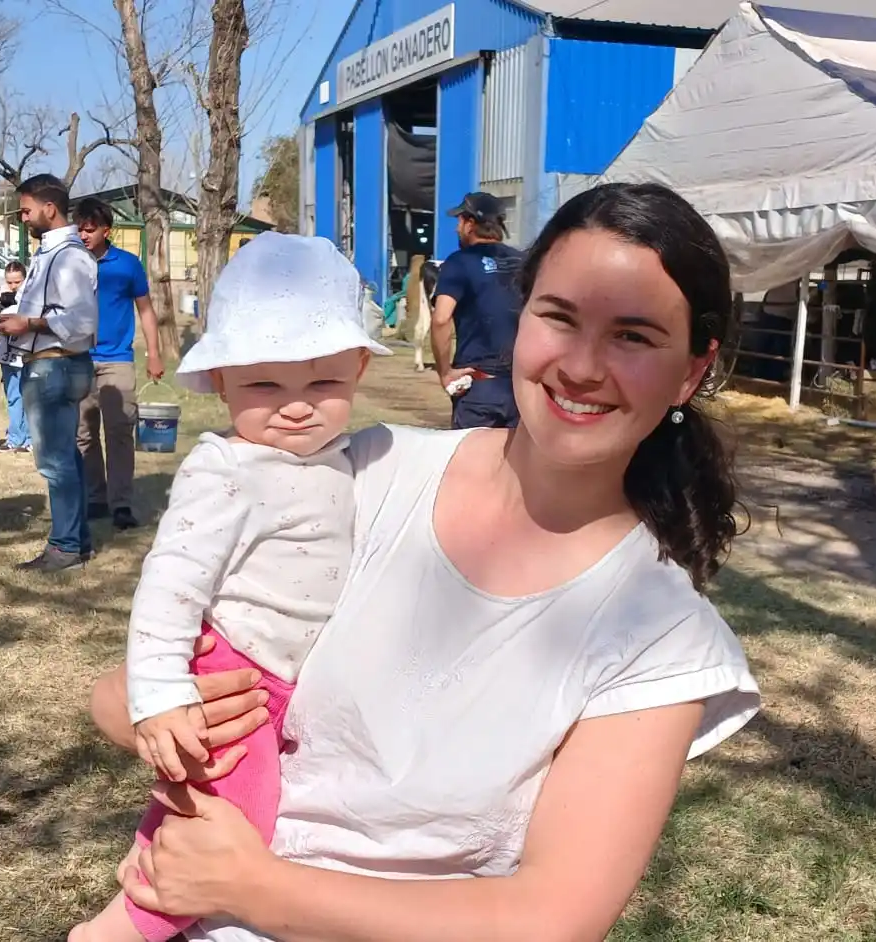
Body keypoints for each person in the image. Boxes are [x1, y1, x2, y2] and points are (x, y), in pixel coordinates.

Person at [83, 182, 762, 941]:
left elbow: (549, 921)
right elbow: (124, 695)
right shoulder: (360, 471)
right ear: (519, 317)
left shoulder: (660, 635)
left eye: (633, 337)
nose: (582, 366)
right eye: (559, 317)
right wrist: (154, 708)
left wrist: (255, 889)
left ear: (691, 371)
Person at [69, 233, 389, 942]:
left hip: (288, 683)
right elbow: (171, 585)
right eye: (266, 386)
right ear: (219, 381)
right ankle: (116, 932)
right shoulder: (227, 468)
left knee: (224, 813)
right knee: (231, 816)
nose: (298, 407)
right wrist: (157, 696)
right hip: (232, 667)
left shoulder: (350, 457)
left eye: (325, 384)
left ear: (360, 367)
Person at [0, 173, 99, 573]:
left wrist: (29, 325)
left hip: (55, 365)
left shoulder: (68, 256)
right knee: (65, 459)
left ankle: (65, 548)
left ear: (48, 208)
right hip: (53, 363)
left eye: (26, 210)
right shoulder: (50, 254)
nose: (23, 218)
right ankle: (77, 541)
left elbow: (80, 320)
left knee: (55, 463)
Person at [74, 197, 166, 531]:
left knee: (120, 433)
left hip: (117, 361)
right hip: (78, 360)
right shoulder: (71, 262)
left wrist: (153, 353)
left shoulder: (127, 264)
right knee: (83, 434)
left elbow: (145, 310)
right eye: (80, 229)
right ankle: (96, 498)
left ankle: (121, 503)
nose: (84, 235)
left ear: (106, 230)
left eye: (91, 230)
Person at [430, 191, 525, 429]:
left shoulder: (459, 262)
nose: (456, 229)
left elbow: (441, 319)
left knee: (471, 463)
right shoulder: (525, 261)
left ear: (470, 224)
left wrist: (444, 372)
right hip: (522, 390)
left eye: (459, 221)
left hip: (479, 389)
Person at [0, 260, 32, 454]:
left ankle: (29, 439)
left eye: (17, 281)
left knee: (29, 395)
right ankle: (15, 438)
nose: (13, 286)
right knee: (13, 395)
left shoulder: (32, 295)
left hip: (27, 351)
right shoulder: (0, 296)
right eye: (9, 282)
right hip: (7, 353)